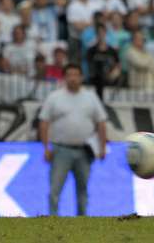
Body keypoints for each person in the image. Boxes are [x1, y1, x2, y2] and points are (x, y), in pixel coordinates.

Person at [39, 63, 107, 216]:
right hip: (60, 150)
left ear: (81, 77)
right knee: (55, 188)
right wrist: (46, 148)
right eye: (69, 75)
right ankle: (52, 220)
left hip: (84, 150)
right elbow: (44, 123)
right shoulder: (54, 97)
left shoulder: (90, 97)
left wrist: (102, 148)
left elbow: (101, 122)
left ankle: (82, 220)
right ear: (64, 78)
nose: (73, 78)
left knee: (82, 189)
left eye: (76, 75)